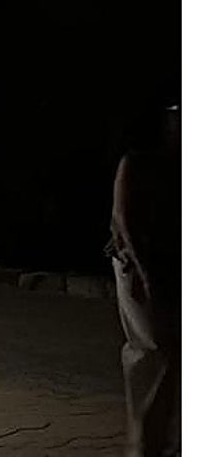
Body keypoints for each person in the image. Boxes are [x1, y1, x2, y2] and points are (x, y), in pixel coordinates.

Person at [108, 103, 180, 456]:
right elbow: (124, 221)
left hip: (162, 264)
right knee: (153, 350)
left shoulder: (174, 166)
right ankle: (144, 440)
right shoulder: (136, 163)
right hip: (136, 266)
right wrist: (144, 273)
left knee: (169, 352)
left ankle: (158, 437)